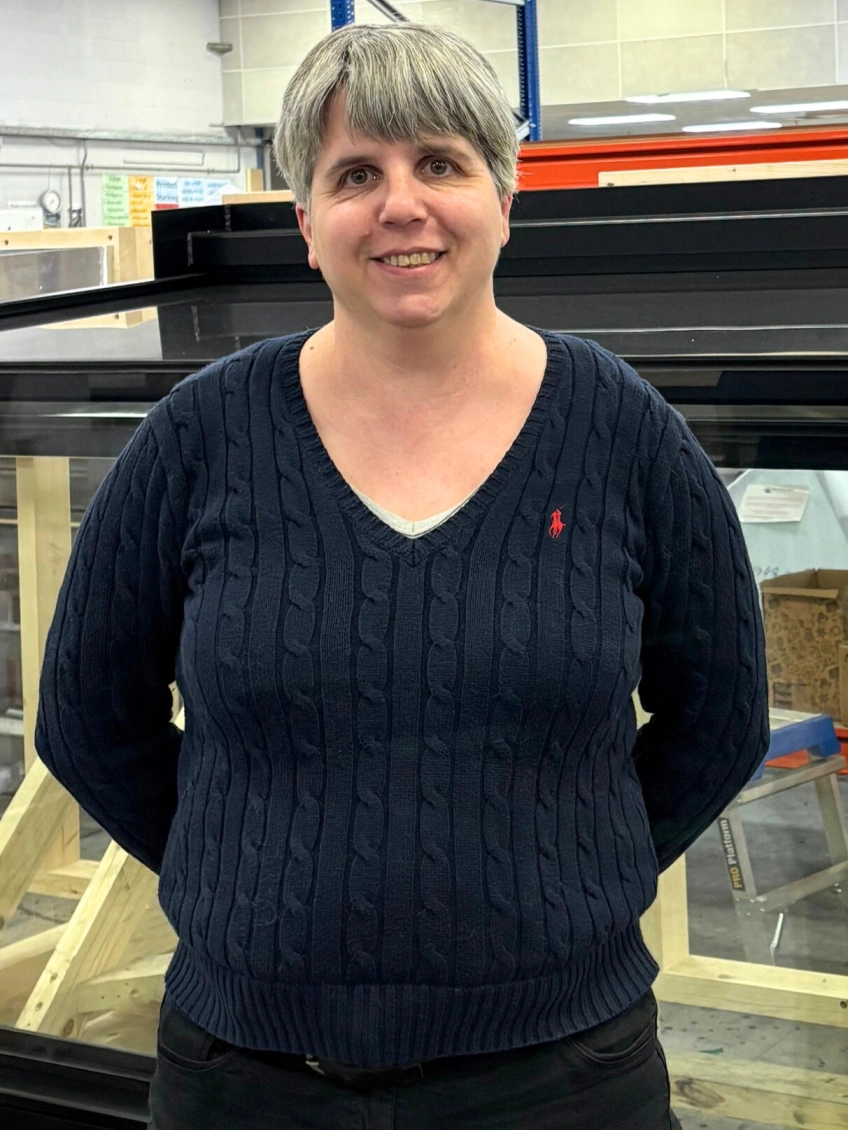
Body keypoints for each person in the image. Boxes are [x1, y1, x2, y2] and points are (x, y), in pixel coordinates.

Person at [35, 21, 769, 1130]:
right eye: (354, 175)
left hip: (561, 1073)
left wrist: (570, 873)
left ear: (501, 197)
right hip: (247, 1073)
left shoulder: (622, 432)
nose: (400, 204)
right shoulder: (197, 439)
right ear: (306, 224)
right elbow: (90, 717)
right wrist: (244, 879)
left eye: (438, 163)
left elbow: (716, 715)